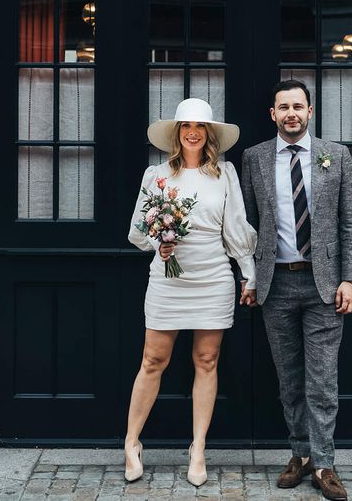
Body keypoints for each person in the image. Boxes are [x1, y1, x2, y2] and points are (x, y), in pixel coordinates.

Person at [240, 79, 352, 501]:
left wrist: (351, 278)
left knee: (322, 381)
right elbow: (248, 227)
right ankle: (300, 455)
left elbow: (351, 222)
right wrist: (250, 277)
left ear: (310, 112)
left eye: (298, 106)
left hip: (324, 285)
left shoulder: (336, 156)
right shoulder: (254, 158)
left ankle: (324, 464)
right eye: (283, 107)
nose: (291, 113)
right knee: (290, 380)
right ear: (272, 114)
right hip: (276, 284)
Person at [125, 98, 257, 487]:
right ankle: (132, 442)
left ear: (209, 134)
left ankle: (197, 447)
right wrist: (158, 240)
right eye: (186, 126)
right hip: (167, 280)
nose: (193, 132)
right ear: (176, 134)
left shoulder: (225, 174)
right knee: (153, 360)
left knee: (207, 359)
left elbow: (236, 228)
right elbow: (136, 231)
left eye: (200, 126)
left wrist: (248, 275)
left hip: (214, 277)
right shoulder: (157, 175)